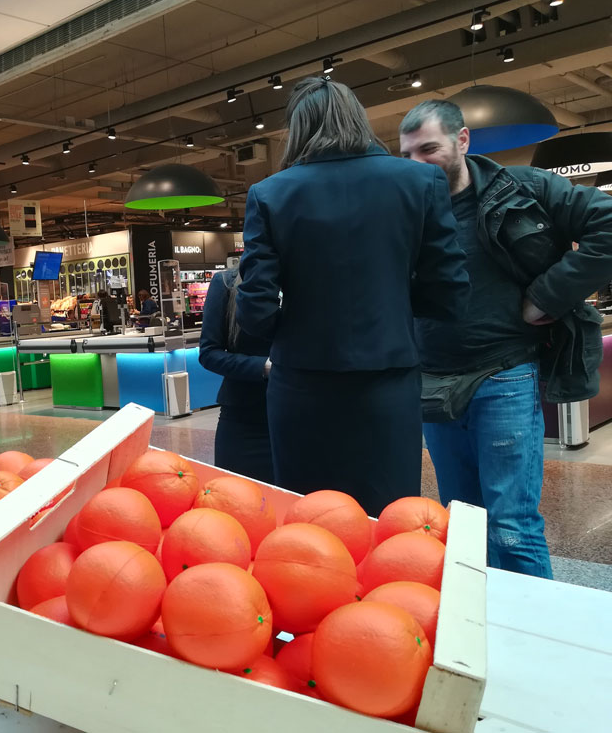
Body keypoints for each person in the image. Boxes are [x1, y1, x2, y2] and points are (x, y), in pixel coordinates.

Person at [237, 77, 470, 516]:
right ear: (357, 118)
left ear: (297, 128)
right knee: (388, 516)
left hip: (300, 383)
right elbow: (450, 291)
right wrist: (392, 306)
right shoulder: (420, 181)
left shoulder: (269, 194)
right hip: (389, 380)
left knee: (308, 518)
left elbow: (255, 309)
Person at [399, 100, 612, 578]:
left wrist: (549, 296)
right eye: (408, 154)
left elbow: (608, 224)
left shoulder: (522, 188)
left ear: (462, 141)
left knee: (511, 523)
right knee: (463, 522)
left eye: (429, 149)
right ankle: (477, 630)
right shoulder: (405, 212)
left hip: (506, 373)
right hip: (433, 381)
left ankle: (533, 640)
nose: (418, 164)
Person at [199, 264, 273, 483]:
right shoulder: (226, 283)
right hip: (244, 420)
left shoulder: (305, 281)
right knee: (232, 500)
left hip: (300, 418)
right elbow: (209, 353)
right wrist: (265, 367)